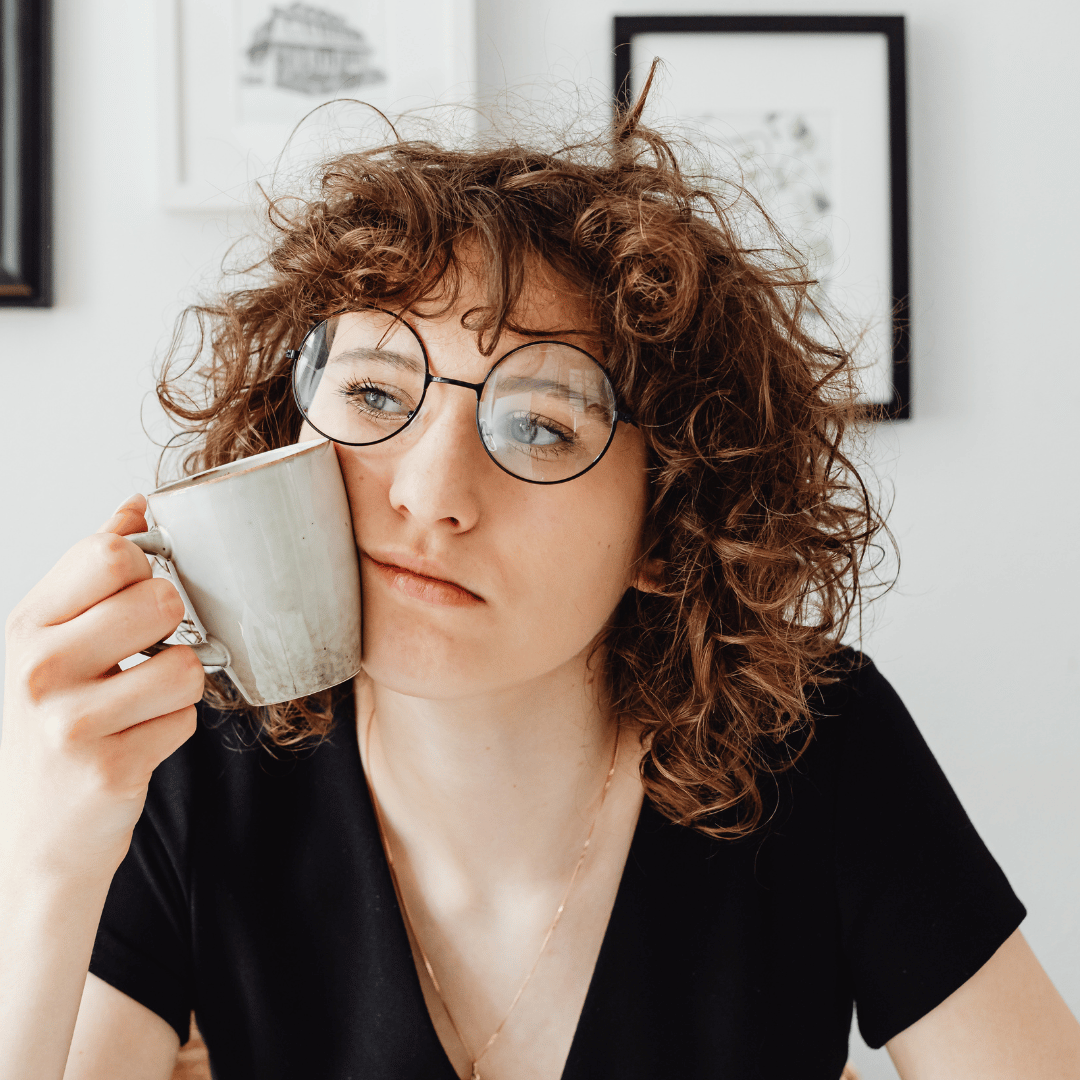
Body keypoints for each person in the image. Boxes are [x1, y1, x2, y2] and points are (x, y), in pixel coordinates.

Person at [2, 80, 1079, 1080]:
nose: (431, 493)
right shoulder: (191, 763)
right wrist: (47, 856)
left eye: (539, 424)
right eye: (377, 396)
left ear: (669, 522)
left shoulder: (815, 742)